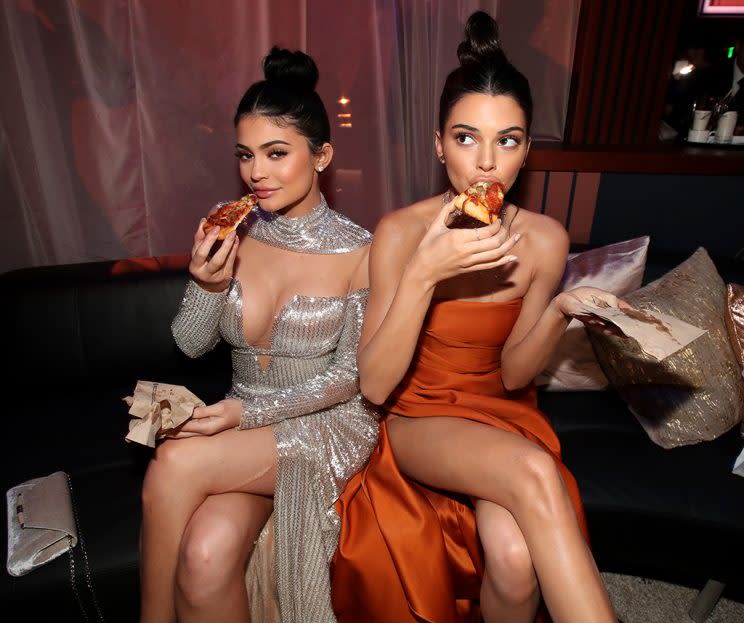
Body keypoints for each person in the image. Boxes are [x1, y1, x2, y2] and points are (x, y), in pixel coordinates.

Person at [331, 11, 620, 623]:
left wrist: (563, 310)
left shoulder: (545, 240)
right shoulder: (401, 232)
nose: (486, 163)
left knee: (516, 561)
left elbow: (515, 374)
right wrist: (424, 274)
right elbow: (376, 385)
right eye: (466, 138)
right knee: (537, 472)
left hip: (501, 412)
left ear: (526, 152)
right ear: (439, 145)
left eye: (507, 140)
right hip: (416, 417)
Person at [139, 47, 379, 623]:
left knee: (174, 462)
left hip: (325, 428)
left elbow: (353, 377)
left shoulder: (363, 250)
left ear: (322, 156)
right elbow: (191, 344)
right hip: (244, 424)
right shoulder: (233, 228)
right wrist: (205, 283)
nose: (256, 173)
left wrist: (241, 416)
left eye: (276, 153)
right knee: (204, 555)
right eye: (246, 155)